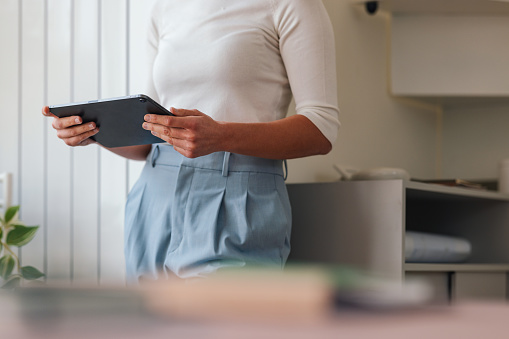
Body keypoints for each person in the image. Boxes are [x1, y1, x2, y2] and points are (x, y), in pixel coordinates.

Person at [42, 0, 340, 282]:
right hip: (155, 197)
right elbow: (148, 137)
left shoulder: (293, 5)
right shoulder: (166, 8)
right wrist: (94, 131)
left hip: (236, 201)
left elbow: (321, 129)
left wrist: (220, 136)